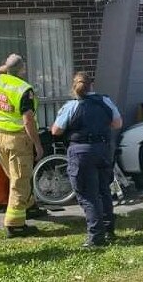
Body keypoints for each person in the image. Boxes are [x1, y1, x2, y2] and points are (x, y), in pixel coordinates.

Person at [52, 72, 123, 247]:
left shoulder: (72, 105)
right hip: (103, 150)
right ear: (92, 85)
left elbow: (56, 130)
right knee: (103, 190)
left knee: (87, 195)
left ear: (74, 87)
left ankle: (96, 237)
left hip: (81, 152)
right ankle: (108, 230)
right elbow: (117, 124)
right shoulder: (105, 101)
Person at [0, 53, 46, 238]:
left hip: (0, 137)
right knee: (20, 180)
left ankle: (29, 206)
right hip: (17, 139)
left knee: (14, 176)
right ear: (22, 69)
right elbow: (28, 120)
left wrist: (8, 65)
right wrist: (37, 144)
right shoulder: (24, 89)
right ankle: (14, 225)